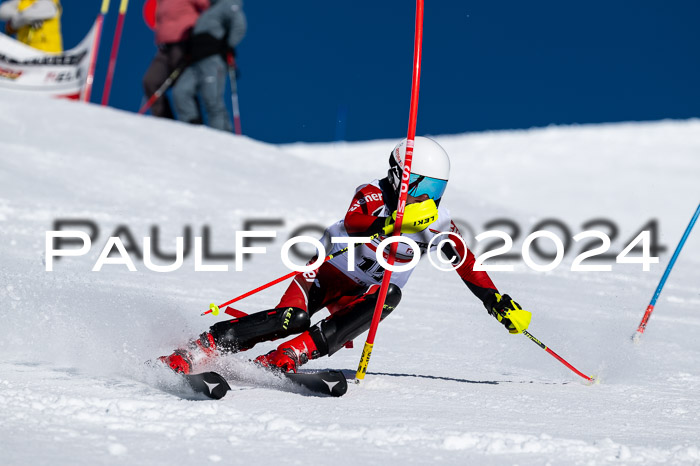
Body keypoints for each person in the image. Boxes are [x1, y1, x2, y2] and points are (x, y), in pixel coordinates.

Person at [159, 137, 532, 374]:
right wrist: (395, 222)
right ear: (402, 176)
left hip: (362, 294)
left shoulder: (438, 221)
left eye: (438, 189)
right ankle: (202, 348)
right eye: (425, 186)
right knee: (293, 317)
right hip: (324, 274)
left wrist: (495, 301)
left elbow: (465, 261)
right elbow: (356, 224)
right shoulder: (373, 193)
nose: (430, 197)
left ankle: (291, 355)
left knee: (390, 296)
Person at [172, 0, 246, 131]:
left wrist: (228, 46)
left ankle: (222, 136)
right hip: (195, 61)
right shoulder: (208, 10)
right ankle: (191, 128)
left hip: (213, 60)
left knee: (212, 100)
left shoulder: (227, 4)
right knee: (181, 92)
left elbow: (239, 25)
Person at [142, 0, 209, 120]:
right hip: (164, 48)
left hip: (185, 43)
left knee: (182, 87)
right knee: (150, 81)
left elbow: (210, 8)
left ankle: (193, 124)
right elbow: (153, 14)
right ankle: (164, 122)